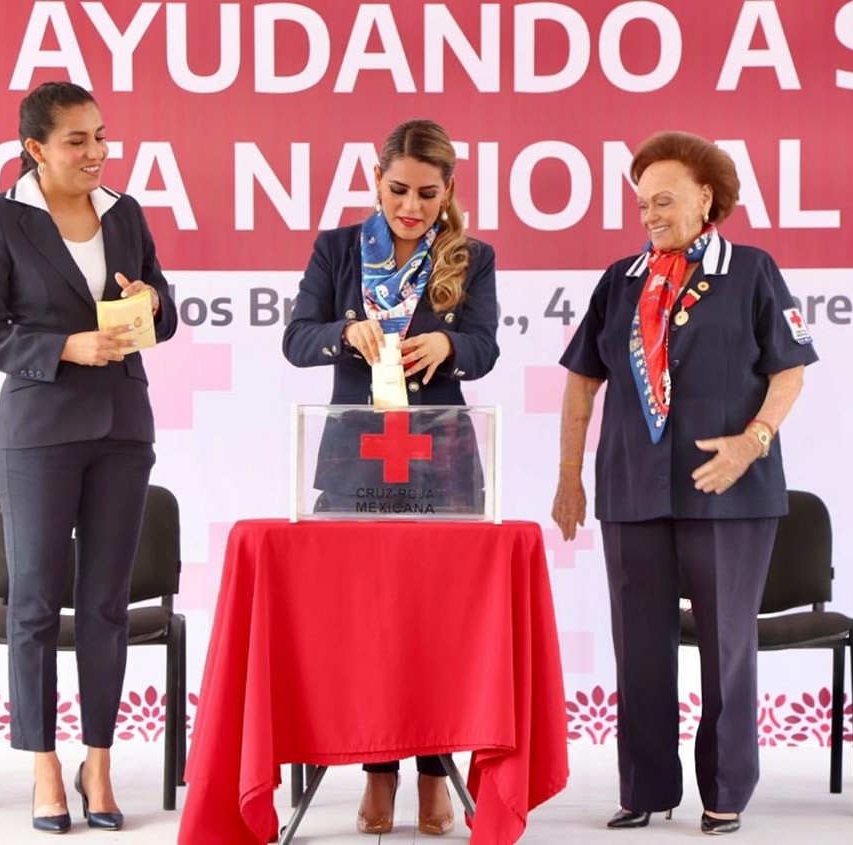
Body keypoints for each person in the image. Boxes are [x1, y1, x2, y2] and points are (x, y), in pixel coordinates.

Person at [551, 131, 817, 836]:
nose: (650, 215)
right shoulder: (622, 279)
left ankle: (725, 789)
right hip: (631, 488)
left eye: (664, 200)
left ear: (706, 197)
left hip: (729, 490)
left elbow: (790, 370)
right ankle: (645, 787)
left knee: (728, 644)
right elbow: (582, 383)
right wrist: (568, 476)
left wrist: (752, 441)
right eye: (642, 204)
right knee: (638, 646)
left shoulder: (753, 270)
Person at [0, 81, 177, 833]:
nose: (95, 153)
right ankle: (45, 767)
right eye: (76, 140)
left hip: (120, 425)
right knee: (37, 604)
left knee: (108, 604)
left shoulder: (126, 212)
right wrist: (62, 346)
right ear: (35, 149)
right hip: (39, 431)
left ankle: (99, 763)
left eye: (101, 136)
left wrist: (148, 302)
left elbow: (165, 314)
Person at [282, 119, 499, 836]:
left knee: (438, 620)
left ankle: (437, 773)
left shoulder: (471, 255)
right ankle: (377, 768)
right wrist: (344, 334)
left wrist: (449, 343)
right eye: (399, 189)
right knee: (369, 620)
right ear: (377, 180)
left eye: (427, 194)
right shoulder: (337, 249)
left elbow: (485, 346)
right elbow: (296, 338)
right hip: (353, 449)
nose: (411, 206)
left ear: (449, 191)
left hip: (442, 450)